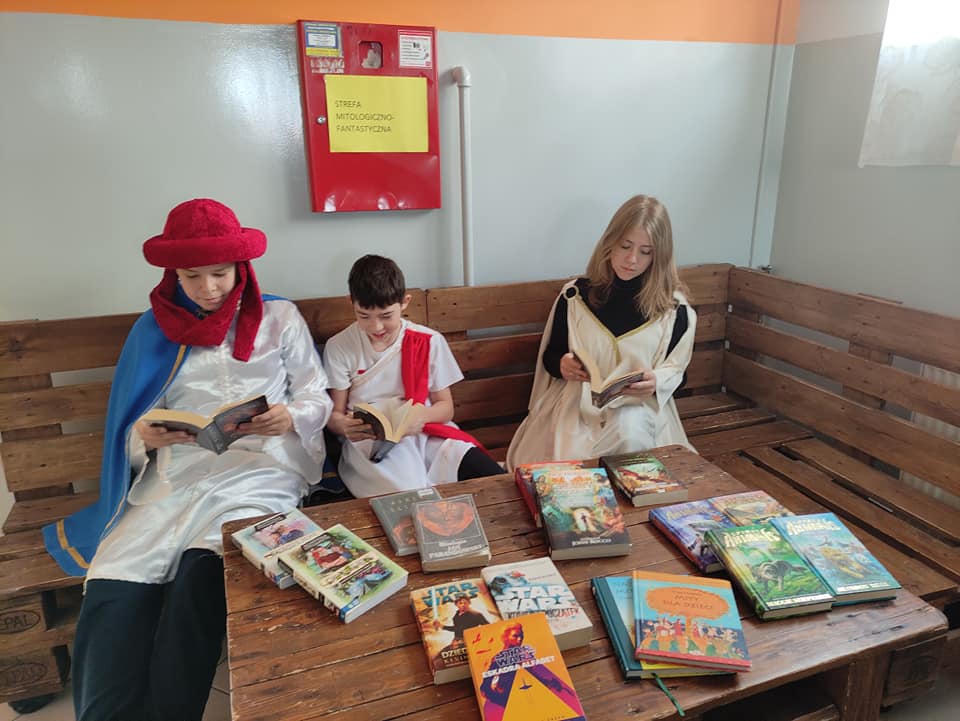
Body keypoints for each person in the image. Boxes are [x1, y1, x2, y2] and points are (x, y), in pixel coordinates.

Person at [42, 198, 333, 721]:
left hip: (261, 470)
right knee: (116, 580)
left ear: (240, 267)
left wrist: (290, 417)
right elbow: (131, 422)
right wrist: (144, 438)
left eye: (219, 273)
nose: (207, 288)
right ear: (173, 273)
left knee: (202, 577)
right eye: (192, 276)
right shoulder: (152, 330)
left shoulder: (280, 317)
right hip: (176, 475)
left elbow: (316, 395)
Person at [506, 194, 696, 469]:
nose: (632, 259)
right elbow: (551, 355)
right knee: (570, 465)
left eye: (646, 251)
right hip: (576, 405)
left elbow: (679, 373)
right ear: (610, 242)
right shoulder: (575, 296)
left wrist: (657, 381)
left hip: (638, 408)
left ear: (659, 256)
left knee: (631, 437)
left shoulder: (674, 310)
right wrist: (563, 365)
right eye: (625, 246)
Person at [323, 254, 503, 497]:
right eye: (364, 316)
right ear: (351, 303)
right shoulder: (339, 346)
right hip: (370, 443)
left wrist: (420, 416)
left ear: (404, 302)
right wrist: (343, 426)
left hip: (426, 430)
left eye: (386, 316)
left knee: (492, 476)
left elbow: (445, 408)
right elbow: (335, 414)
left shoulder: (428, 341)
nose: (376, 327)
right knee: (407, 495)